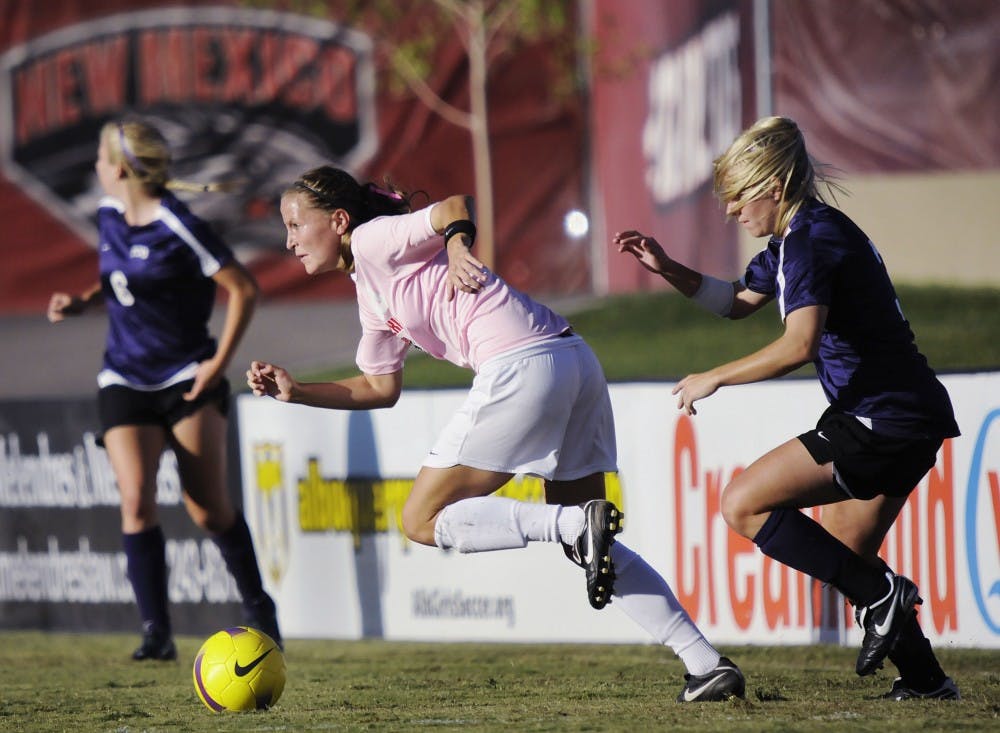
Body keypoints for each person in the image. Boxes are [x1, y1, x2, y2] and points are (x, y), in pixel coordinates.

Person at [246, 165, 745, 702]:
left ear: (339, 220)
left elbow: (455, 206)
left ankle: (573, 524)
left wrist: (458, 247)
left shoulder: (370, 239)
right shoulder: (369, 290)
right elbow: (378, 387)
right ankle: (706, 663)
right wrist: (296, 391)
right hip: (571, 360)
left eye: (296, 225)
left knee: (419, 519)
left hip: (522, 366)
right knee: (592, 549)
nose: (289, 240)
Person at [615, 116, 960, 701]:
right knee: (847, 556)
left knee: (742, 503)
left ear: (773, 187)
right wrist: (667, 267)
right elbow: (735, 302)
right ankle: (926, 680)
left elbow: (798, 346)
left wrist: (714, 378)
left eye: (737, 197)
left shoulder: (810, 239)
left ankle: (884, 599)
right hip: (904, 414)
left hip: (883, 417)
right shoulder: (795, 239)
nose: (729, 211)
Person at [47, 119, 281, 660]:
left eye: (102, 160)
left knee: (207, 508)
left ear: (122, 168)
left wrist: (217, 363)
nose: (96, 169)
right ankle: (157, 634)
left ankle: (258, 609)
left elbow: (245, 289)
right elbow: (118, 279)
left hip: (185, 375)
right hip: (123, 375)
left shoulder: (178, 223)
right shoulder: (108, 216)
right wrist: (81, 302)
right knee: (135, 500)